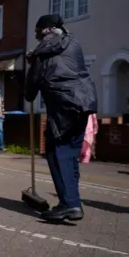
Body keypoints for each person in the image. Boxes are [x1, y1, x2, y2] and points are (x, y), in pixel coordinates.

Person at [25, 14, 97, 221]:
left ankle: (70, 205)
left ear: (47, 30)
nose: (36, 36)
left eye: (38, 31)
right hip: (84, 103)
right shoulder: (74, 44)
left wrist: (32, 64)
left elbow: (30, 91)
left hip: (64, 108)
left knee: (58, 153)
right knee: (69, 154)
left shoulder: (42, 52)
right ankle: (72, 200)